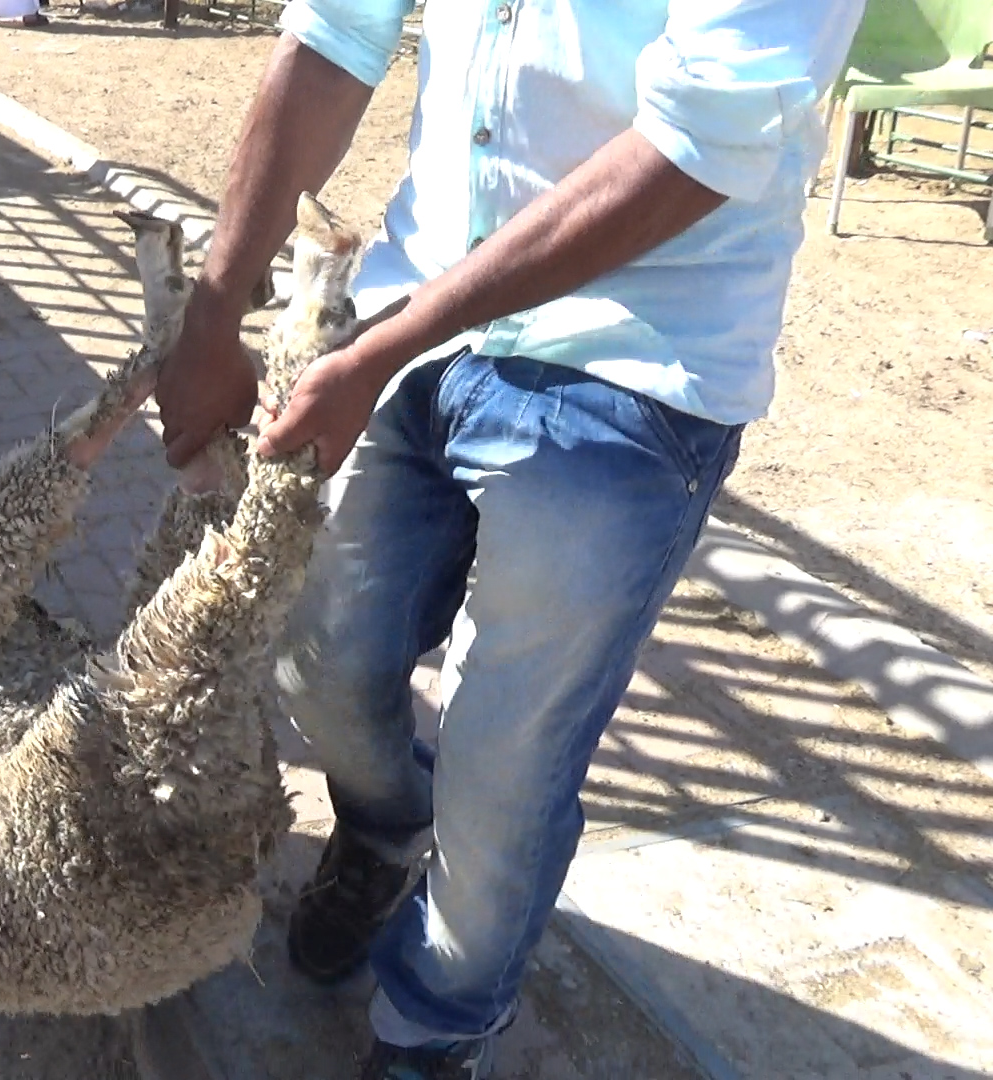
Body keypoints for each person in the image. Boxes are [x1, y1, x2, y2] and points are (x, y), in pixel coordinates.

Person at [154, 2, 866, 1076]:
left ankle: (434, 1026)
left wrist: (380, 346)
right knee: (320, 655)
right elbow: (337, 35)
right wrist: (214, 304)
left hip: (634, 356)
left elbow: (702, 137)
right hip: (423, 298)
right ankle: (388, 826)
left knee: (506, 757)